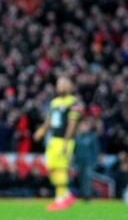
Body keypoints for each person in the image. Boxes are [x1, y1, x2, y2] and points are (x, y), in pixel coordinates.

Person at [34, 76, 82, 211]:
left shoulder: (74, 102)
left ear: (69, 86)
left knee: (61, 169)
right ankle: (67, 195)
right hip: (53, 140)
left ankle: (60, 199)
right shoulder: (54, 102)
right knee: (51, 168)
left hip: (64, 140)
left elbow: (72, 123)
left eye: (63, 84)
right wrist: (41, 131)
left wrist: (66, 141)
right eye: (58, 84)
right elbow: (49, 120)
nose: (60, 87)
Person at [73, 116, 99, 201]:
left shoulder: (92, 137)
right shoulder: (77, 137)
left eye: (84, 126)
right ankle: (82, 195)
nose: (82, 127)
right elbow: (74, 150)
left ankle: (87, 196)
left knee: (87, 179)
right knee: (80, 178)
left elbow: (95, 150)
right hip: (78, 162)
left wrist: (94, 163)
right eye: (81, 126)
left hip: (88, 162)